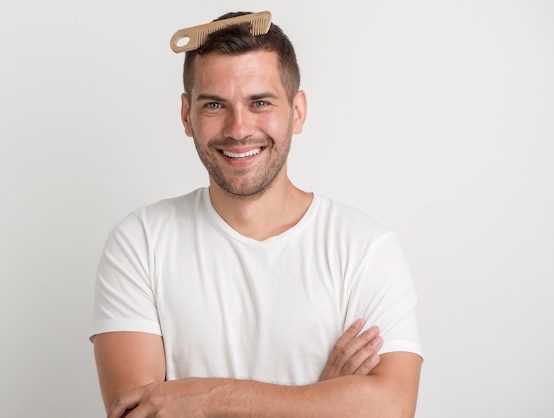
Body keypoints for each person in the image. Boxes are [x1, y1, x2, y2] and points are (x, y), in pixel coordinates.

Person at [91, 11, 423, 418]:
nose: (239, 128)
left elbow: (392, 408)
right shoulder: (140, 242)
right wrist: (320, 401)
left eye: (260, 102)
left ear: (297, 111)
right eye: (214, 104)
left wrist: (209, 399)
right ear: (186, 116)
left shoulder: (365, 250)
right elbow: (136, 413)